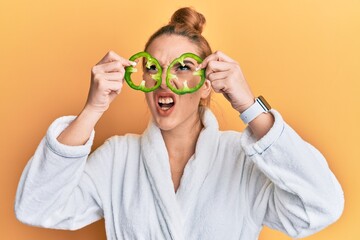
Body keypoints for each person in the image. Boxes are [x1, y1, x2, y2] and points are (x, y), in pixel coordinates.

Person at [15, 7, 344, 240]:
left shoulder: (241, 160)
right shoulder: (118, 159)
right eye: (153, 69)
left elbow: (321, 205)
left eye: (183, 68)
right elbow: (35, 208)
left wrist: (247, 104)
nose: (164, 82)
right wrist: (92, 109)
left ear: (206, 84)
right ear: (140, 77)